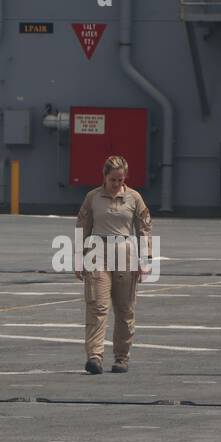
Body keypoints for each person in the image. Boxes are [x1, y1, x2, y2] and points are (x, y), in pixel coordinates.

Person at [75, 155, 153, 374]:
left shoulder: (134, 198)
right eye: (113, 180)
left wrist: (145, 259)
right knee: (97, 307)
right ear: (105, 177)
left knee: (125, 310)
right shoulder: (92, 198)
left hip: (125, 256)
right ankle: (95, 356)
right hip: (97, 254)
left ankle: (121, 357)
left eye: (120, 180)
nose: (117, 184)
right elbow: (82, 227)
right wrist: (78, 257)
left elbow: (144, 229)